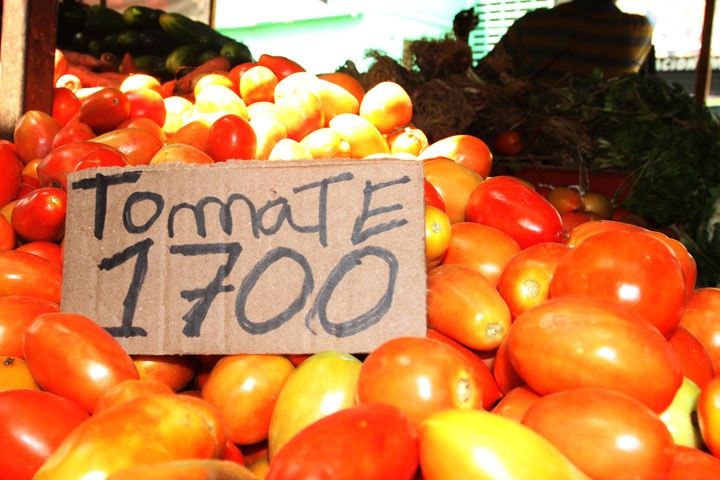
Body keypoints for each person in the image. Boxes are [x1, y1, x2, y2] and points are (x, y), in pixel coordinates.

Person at [474, 0, 654, 82]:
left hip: (529, 137)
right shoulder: (637, 29)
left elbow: (481, 76)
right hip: (605, 143)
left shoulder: (535, 23)